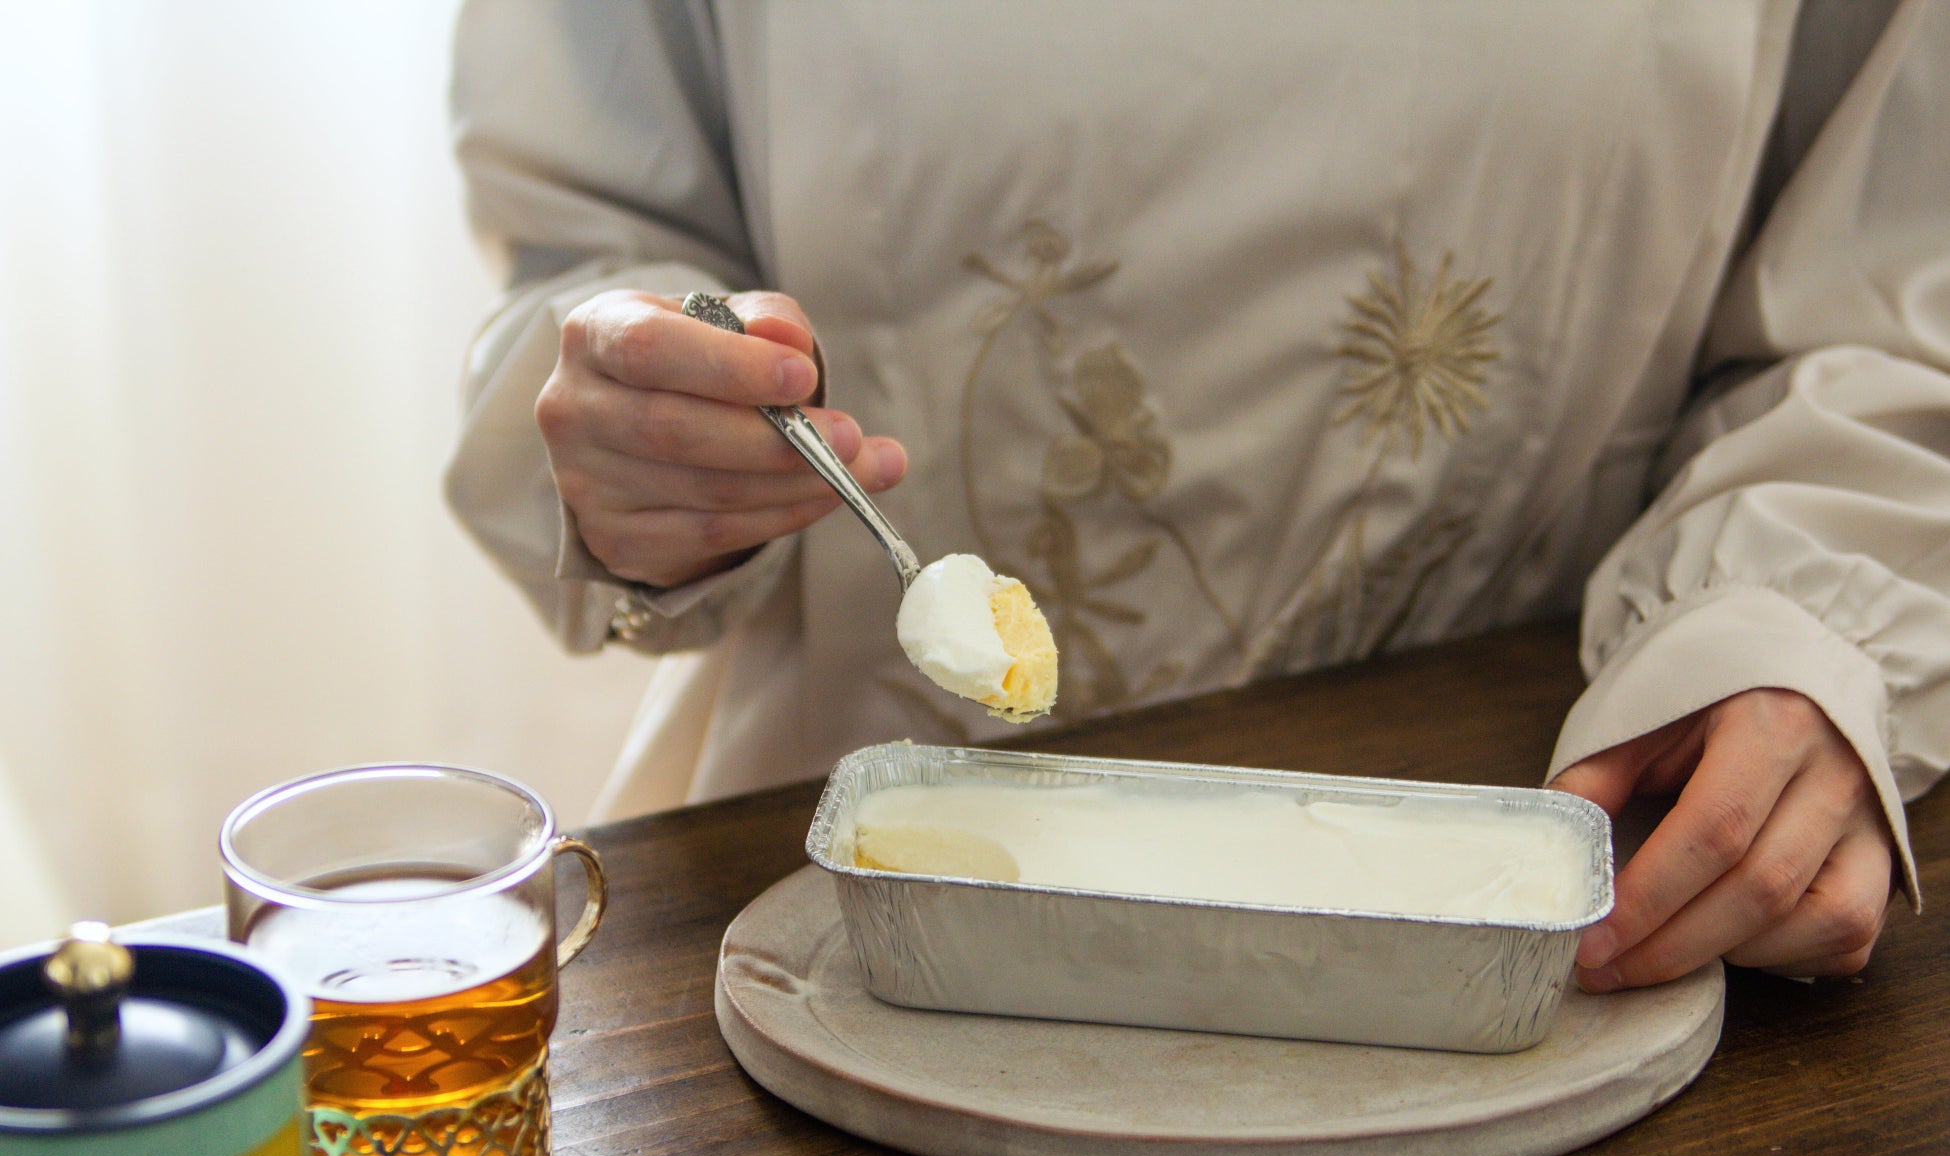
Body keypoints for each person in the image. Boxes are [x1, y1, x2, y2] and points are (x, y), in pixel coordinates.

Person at [444, 1, 1949, 991]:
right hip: (866, 933)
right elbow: (590, 242)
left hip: (1562, 879)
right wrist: (644, 424)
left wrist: (1801, 612)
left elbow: (1892, 274)